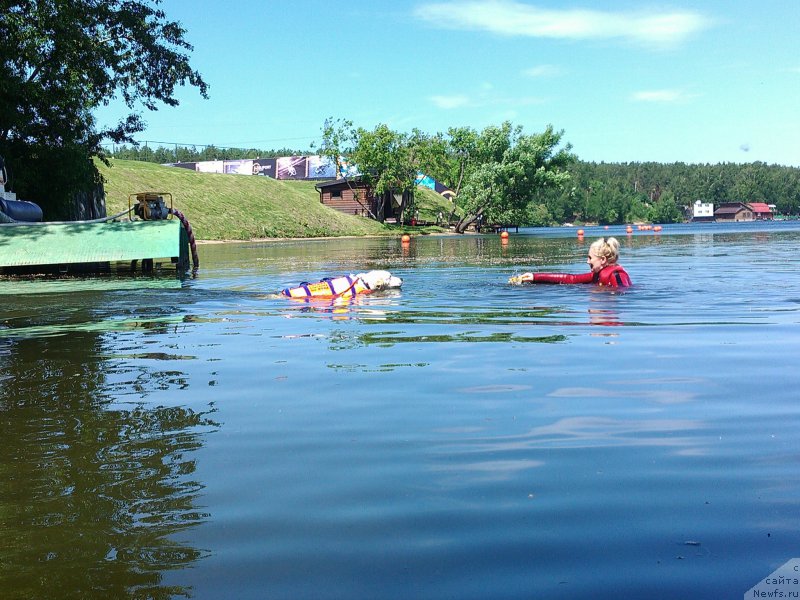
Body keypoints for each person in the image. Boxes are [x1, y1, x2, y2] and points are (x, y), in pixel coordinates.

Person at [511, 236, 632, 287]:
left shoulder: (617, 275)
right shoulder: (597, 275)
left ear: (603, 260)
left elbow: (622, 295)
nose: (587, 261)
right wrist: (535, 277)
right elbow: (571, 279)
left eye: (590, 258)